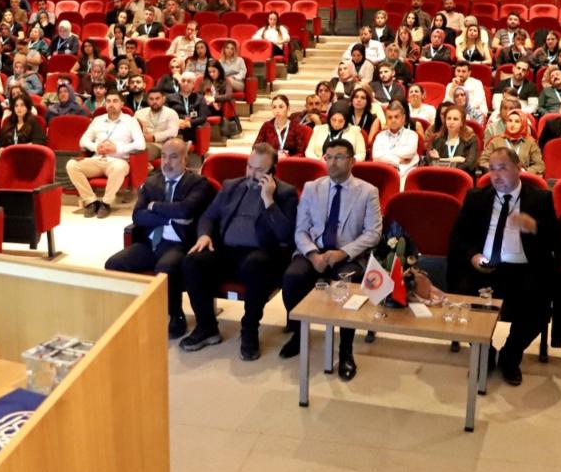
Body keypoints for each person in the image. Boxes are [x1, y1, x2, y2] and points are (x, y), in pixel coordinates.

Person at [447, 146, 557, 385]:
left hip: (523, 269)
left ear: (518, 168)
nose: (496, 175)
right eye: (492, 169)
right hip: (484, 267)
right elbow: (458, 237)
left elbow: (557, 240)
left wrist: (535, 227)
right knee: (462, 296)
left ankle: (510, 355)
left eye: (503, 168)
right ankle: (484, 353)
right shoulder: (476, 198)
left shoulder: (540, 199)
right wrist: (473, 255)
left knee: (538, 307)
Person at [180, 142, 300, 360]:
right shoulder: (231, 186)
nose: (252, 174)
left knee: (257, 264)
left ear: (273, 171)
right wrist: (205, 234)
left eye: (260, 170)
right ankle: (206, 326)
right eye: (249, 166)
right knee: (193, 261)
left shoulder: (286, 193)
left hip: (260, 255)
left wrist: (268, 200)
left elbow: (286, 235)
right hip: (226, 250)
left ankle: (249, 330)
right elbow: (208, 216)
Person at [279, 139, 382, 380]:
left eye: (338, 157)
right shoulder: (312, 187)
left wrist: (343, 253)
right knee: (292, 277)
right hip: (315, 251)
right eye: (328, 157)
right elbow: (301, 229)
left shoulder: (367, 191)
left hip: (348, 254)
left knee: (349, 284)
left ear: (352, 161)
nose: (332, 162)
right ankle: (298, 333)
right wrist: (313, 254)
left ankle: (346, 349)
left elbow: (373, 233)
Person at [106, 138, 214, 338]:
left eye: (173, 157)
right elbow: (138, 216)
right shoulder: (151, 181)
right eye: (164, 156)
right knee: (113, 264)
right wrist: (169, 218)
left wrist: (154, 206)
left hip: (180, 243)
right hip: (151, 242)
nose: (167, 162)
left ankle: (175, 315)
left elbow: (185, 209)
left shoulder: (198, 183)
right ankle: (128, 314)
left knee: (165, 268)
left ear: (185, 160)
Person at [67, 93, 145, 218]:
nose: (111, 104)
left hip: (118, 160)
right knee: (72, 165)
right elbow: (83, 141)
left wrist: (117, 149)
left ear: (122, 104)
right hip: (97, 159)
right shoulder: (98, 120)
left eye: (115, 101)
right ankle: (91, 202)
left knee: (118, 168)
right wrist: (96, 147)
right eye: (108, 101)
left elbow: (141, 145)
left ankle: (106, 203)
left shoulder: (130, 121)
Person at [481, 111, 545, 175]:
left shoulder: (531, 143)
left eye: (517, 121)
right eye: (510, 121)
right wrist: (497, 169)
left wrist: (525, 172)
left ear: (523, 124)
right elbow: (482, 161)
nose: (512, 124)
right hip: (500, 178)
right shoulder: (495, 141)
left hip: (523, 179)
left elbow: (539, 166)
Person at [372, 101, 420, 184]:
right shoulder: (380, 136)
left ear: (403, 118)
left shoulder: (412, 135)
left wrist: (385, 155)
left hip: (406, 174)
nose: (393, 120)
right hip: (384, 174)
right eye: (390, 117)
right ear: (386, 120)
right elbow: (376, 155)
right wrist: (397, 161)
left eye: (396, 117)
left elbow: (409, 152)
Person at [428, 103, 479, 174]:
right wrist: (455, 159)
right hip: (439, 176)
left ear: (462, 122)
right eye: (449, 118)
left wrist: (440, 160)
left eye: (455, 119)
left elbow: (469, 166)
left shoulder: (471, 139)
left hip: (461, 178)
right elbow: (431, 163)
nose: (451, 122)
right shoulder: (436, 139)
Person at [168, 71, 212, 146]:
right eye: (183, 81)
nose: (185, 83)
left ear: (193, 84)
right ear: (180, 83)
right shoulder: (170, 98)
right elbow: (166, 114)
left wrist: (189, 123)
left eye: (189, 81)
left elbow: (203, 117)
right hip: (176, 127)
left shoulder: (200, 98)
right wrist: (178, 121)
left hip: (192, 127)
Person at [137, 88, 181, 161]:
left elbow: (173, 132)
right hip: (143, 142)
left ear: (163, 99)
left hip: (163, 145)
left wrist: (154, 137)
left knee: (142, 149)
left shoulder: (171, 113)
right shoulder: (139, 113)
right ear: (147, 100)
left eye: (157, 99)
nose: (154, 101)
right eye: (151, 99)